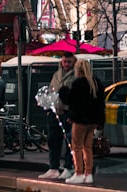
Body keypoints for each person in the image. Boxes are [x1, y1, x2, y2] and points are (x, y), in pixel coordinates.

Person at [58, 58, 105, 185]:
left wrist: (63, 91)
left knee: (77, 147)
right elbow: (101, 104)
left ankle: (78, 173)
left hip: (80, 120)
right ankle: (88, 174)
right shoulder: (96, 84)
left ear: (78, 70)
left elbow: (71, 101)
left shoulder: (78, 83)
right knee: (87, 147)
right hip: (93, 121)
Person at [37, 52, 76, 180]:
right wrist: (48, 107)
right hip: (55, 112)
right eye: (64, 61)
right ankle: (53, 168)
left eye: (69, 62)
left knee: (69, 141)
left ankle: (68, 167)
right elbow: (50, 91)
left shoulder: (76, 75)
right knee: (53, 140)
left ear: (73, 62)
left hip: (67, 112)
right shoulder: (56, 75)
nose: (66, 64)